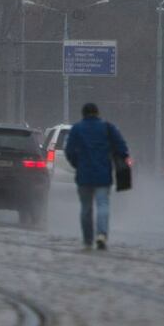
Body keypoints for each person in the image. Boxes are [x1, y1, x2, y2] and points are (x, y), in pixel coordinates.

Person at [64, 103, 129, 251]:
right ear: (97, 113)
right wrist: (117, 161)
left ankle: (87, 241)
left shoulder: (77, 129)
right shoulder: (107, 128)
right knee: (103, 204)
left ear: (83, 114)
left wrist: (77, 164)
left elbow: (69, 151)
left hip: (84, 175)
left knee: (86, 208)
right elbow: (121, 148)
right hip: (103, 174)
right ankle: (101, 235)